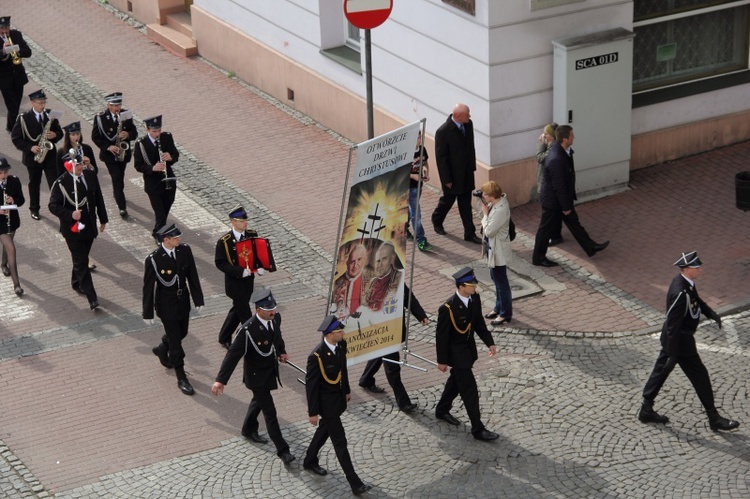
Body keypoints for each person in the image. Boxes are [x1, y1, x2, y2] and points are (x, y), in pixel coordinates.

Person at [638, 251, 739, 432]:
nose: (700, 269)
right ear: (686, 269)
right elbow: (673, 325)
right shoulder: (680, 292)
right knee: (700, 375)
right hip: (680, 341)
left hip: (674, 341)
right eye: (696, 267)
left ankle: (646, 408)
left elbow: (696, 299)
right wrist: (673, 353)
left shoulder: (685, 283)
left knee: (660, 372)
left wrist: (709, 312)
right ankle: (714, 417)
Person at [211, 289, 295, 465]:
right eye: (269, 309)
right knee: (270, 412)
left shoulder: (275, 318)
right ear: (258, 310)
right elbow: (232, 356)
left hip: (269, 370)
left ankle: (248, 429)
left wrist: (282, 351)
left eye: (274, 307)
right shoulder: (247, 330)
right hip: (256, 377)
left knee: (258, 401)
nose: (273, 311)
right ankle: (283, 450)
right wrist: (220, 380)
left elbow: (277, 337)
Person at [303, 315, 372, 496]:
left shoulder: (341, 345)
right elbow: (311, 387)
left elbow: (343, 370)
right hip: (326, 405)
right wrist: (313, 412)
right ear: (330, 334)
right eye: (339, 331)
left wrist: (347, 390)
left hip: (338, 399)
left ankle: (309, 460)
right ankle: (355, 482)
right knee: (340, 442)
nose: (343, 333)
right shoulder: (316, 357)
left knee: (325, 429)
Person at [435, 267, 499, 442]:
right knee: (469, 390)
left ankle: (441, 409)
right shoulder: (447, 308)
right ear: (462, 286)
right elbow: (441, 337)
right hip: (456, 354)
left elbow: (478, 323)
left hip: (468, 350)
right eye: (472, 286)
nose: (475, 288)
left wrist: (489, 342)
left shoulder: (474, 298)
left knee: (456, 381)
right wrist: (442, 361)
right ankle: (478, 429)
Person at [531, 125, 609, 267]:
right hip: (554, 201)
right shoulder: (556, 158)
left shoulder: (563, 151)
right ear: (565, 139)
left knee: (574, 223)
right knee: (545, 229)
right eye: (572, 136)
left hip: (560, 199)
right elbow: (558, 186)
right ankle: (538, 257)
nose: (574, 138)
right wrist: (566, 206)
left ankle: (590, 246)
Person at [144, 224, 204, 396]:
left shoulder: (184, 251)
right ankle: (181, 376)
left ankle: (162, 348)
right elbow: (148, 287)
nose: (180, 239)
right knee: (176, 342)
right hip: (166, 303)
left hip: (182, 299)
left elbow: (192, 275)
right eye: (176, 238)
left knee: (182, 332)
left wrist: (198, 299)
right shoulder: (154, 259)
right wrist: (147, 312)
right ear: (166, 240)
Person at [48, 155, 108, 310]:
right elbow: (52, 205)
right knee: (81, 261)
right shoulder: (61, 183)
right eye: (76, 164)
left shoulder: (90, 175)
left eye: (80, 163)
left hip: (89, 226)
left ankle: (76, 282)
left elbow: (98, 197)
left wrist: (103, 218)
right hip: (72, 229)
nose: (80, 167)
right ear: (68, 166)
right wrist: (69, 215)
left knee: (81, 258)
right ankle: (92, 297)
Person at [358, 283, 428, 411]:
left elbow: (408, 297)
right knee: (392, 368)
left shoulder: (397, 277)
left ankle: (366, 379)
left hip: (394, 328)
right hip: (381, 330)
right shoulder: (370, 282)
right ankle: (403, 402)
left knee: (380, 354)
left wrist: (421, 315)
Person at [215, 205, 266, 349]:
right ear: (232, 222)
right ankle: (253, 341)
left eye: (245, 220)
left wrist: (260, 266)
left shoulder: (251, 234)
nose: (245, 223)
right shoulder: (224, 241)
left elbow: (257, 252)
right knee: (245, 313)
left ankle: (224, 336)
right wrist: (239, 271)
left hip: (248, 281)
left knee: (237, 309)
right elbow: (220, 263)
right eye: (241, 221)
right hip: (234, 283)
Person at [431, 102, 481, 244]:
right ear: (458, 116)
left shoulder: (468, 124)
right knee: (448, 201)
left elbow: (470, 146)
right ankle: (437, 220)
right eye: (467, 114)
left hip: (466, 173)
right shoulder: (443, 131)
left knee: (465, 204)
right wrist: (446, 179)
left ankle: (469, 233)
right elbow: (441, 158)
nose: (470, 116)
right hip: (452, 176)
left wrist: (472, 167)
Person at [11, 89, 63, 221]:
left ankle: (58, 206)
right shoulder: (23, 118)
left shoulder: (50, 115)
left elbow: (60, 132)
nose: (43, 105)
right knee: (34, 183)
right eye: (40, 102)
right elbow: (16, 138)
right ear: (32, 103)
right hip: (33, 158)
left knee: (54, 182)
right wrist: (30, 147)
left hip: (50, 155)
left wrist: (55, 135)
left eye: (44, 102)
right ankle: (34, 208)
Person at [91, 92, 137, 219]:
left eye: (119, 105)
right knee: (116, 177)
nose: (117, 108)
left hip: (123, 153)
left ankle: (118, 194)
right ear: (108, 105)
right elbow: (95, 137)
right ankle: (122, 207)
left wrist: (127, 134)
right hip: (109, 155)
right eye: (114, 105)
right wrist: (108, 146)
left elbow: (134, 132)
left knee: (120, 177)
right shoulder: (100, 117)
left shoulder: (126, 114)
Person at [133, 115, 180, 239]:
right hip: (153, 184)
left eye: (159, 130)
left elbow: (175, 154)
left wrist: (171, 157)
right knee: (160, 213)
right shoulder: (141, 144)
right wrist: (152, 168)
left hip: (168, 179)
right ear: (147, 130)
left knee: (166, 208)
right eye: (154, 131)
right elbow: (138, 165)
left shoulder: (166, 138)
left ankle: (157, 231)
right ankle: (160, 236)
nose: (157, 134)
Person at [480, 181, 513, 326]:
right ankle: (498, 307)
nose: (483, 196)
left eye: (485, 194)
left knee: (501, 282)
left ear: (492, 196)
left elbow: (489, 231)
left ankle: (505, 313)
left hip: (498, 250)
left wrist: (485, 216)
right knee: (496, 278)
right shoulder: (496, 203)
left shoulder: (500, 209)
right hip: (492, 248)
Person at [0, 16, 31, 133]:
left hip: (18, 77)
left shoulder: (16, 35)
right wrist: (3, 51)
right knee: (13, 108)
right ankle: (15, 131)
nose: (4, 31)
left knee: (16, 105)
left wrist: (17, 51)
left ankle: (9, 125)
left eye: (6, 28)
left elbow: (28, 52)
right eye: (2, 28)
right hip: (4, 79)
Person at [0, 154, 24, 296]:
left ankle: (3, 264)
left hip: (12, 221)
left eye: (5, 172)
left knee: (7, 245)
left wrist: (13, 200)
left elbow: (21, 200)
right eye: (1, 173)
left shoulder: (14, 181)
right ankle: (17, 285)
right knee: (11, 248)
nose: (3, 176)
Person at [536, 123, 562, 246]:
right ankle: (555, 234)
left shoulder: (553, 147)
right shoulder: (552, 145)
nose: (543, 135)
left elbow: (540, 158)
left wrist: (542, 144)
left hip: (549, 186)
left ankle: (554, 235)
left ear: (551, 136)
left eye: (546, 133)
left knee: (551, 212)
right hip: (549, 184)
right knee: (555, 212)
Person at [331, 242, 370, 320]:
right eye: (352, 261)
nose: (355, 265)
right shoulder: (337, 283)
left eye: (359, 260)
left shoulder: (370, 280)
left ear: (364, 260)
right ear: (347, 263)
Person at [409, 131, 432, 251]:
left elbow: (425, 163)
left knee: (411, 210)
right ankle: (421, 239)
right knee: (416, 214)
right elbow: (400, 171)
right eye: (417, 137)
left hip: (419, 186)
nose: (419, 139)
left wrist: (425, 173)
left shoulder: (422, 149)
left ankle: (404, 228)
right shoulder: (406, 152)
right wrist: (413, 176)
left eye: (420, 137)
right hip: (408, 187)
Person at [364, 241, 403, 312]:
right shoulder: (372, 282)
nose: (380, 265)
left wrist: (421, 315)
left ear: (392, 259)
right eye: (378, 261)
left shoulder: (399, 277)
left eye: (384, 259)